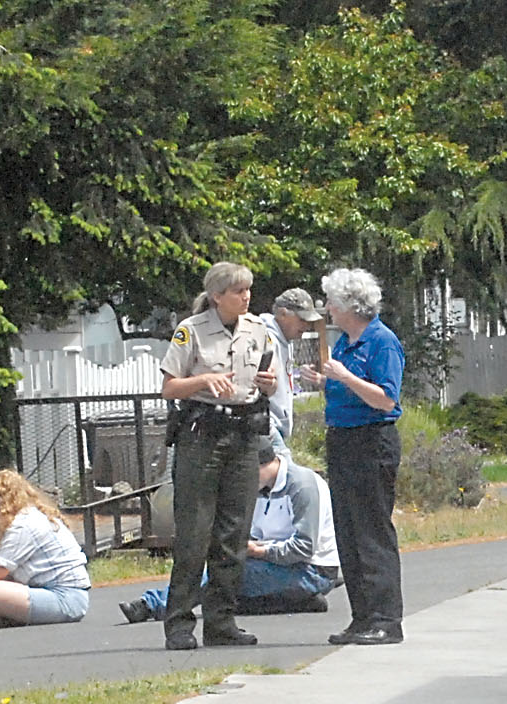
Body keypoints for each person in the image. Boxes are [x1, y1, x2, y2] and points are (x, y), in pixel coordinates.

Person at [159, 261, 278, 649]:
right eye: (237, 291)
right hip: (202, 435)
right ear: (216, 296)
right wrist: (203, 380)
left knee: (234, 532)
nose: (246, 297)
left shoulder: (259, 331)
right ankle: (179, 622)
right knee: (195, 532)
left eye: (248, 290)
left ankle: (222, 621)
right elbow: (170, 387)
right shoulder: (190, 331)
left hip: (244, 436)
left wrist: (270, 383)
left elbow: (271, 382)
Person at [121, 442, 341, 622]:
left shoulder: (302, 487)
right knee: (224, 572)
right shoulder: (259, 490)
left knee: (225, 575)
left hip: (312, 570)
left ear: (262, 465)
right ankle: (294, 601)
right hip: (273, 562)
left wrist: (259, 552)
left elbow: (304, 547)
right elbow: (254, 534)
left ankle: (153, 605)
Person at [305, 268, 407, 646]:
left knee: (372, 531)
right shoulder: (348, 342)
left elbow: (385, 398)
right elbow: (346, 386)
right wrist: (321, 381)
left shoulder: (382, 342)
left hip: (371, 441)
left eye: (331, 301)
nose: (327, 308)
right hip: (343, 440)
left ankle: (386, 619)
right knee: (347, 530)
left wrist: (345, 377)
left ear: (351, 305)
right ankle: (361, 617)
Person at [0, 470, 90, 627]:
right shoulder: (29, 517)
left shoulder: (24, 525)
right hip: (61, 595)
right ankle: (8, 615)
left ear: (9, 500)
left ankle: (10, 618)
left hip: (66, 598)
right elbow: (8, 574)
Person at [258, 287, 323, 442]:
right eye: (302, 320)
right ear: (282, 313)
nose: (306, 326)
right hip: (268, 427)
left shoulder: (286, 339)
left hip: (279, 427)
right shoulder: (267, 339)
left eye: (309, 321)